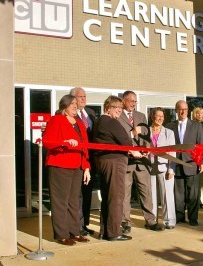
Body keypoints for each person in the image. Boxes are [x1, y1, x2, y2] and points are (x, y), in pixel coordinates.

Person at [42, 94, 91, 246]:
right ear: (64, 106)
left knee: (74, 201)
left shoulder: (79, 123)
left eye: (76, 103)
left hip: (77, 166)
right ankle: (62, 235)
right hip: (59, 165)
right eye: (72, 104)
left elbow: (85, 147)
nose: (75, 106)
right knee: (60, 202)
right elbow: (47, 142)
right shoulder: (56, 119)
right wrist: (64, 142)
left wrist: (87, 167)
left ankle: (75, 232)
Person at [93, 95, 142, 241]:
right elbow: (125, 140)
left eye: (121, 108)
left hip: (104, 162)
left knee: (108, 196)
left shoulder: (99, 121)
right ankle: (114, 232)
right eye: (117, 108)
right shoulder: (110, 122)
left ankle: (105, 231)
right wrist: (135, 151)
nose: (120, 111)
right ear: (108, 108)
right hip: (115, 162)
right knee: (116, 197)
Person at [118, 91, 165, 233]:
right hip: (127, 160)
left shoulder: (141, 116)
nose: (133, 103)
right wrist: (132, 134)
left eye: (135, 101)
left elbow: (147, 137)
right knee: (125, 193)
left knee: (146, 192)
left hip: (142, 161)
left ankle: (150, 221)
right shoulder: (117, 116)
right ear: (123, 100)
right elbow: (117, 138)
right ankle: (126, 222)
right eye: (131, 101)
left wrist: (147, 148)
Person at [166, 100, 203, 226]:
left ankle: (193, 218)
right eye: (180, 109)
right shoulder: (170, 126)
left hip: (192, 163)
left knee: (193, 194)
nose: (183, 112)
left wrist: (202, 162)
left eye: (185, 109)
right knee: (178, 195)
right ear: (176, 110)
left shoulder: (196, 125)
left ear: (188, 110)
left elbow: (201, 144)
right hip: (176, 164)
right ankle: (180, 216)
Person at [70, 87, 96, 236]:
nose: (83, 99)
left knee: (87, 193)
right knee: (77, 194)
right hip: (77, 159)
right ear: (72, 98)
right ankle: (77, 225)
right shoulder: (68, 115)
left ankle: (84, 223)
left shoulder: (91, 114)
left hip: (90, 160)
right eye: (80, 96)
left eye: (84, 96)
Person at [149, 107, 176, 229]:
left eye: (162, 116)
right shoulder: (146, 131)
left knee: (167, 195)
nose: (160, 118)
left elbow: (172, 152)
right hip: (149, 167)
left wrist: (171, 170)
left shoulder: (169, 133)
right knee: (151, 195)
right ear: (152, 117)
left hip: (165, 167)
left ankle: (169, 221)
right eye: (158, 116)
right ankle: (152, 220)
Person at [191, 106, 203, 209]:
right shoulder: (191, 125)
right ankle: (196, 200)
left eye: (201, 113)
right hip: (193, 156)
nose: (199, 115)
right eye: (197, 113)